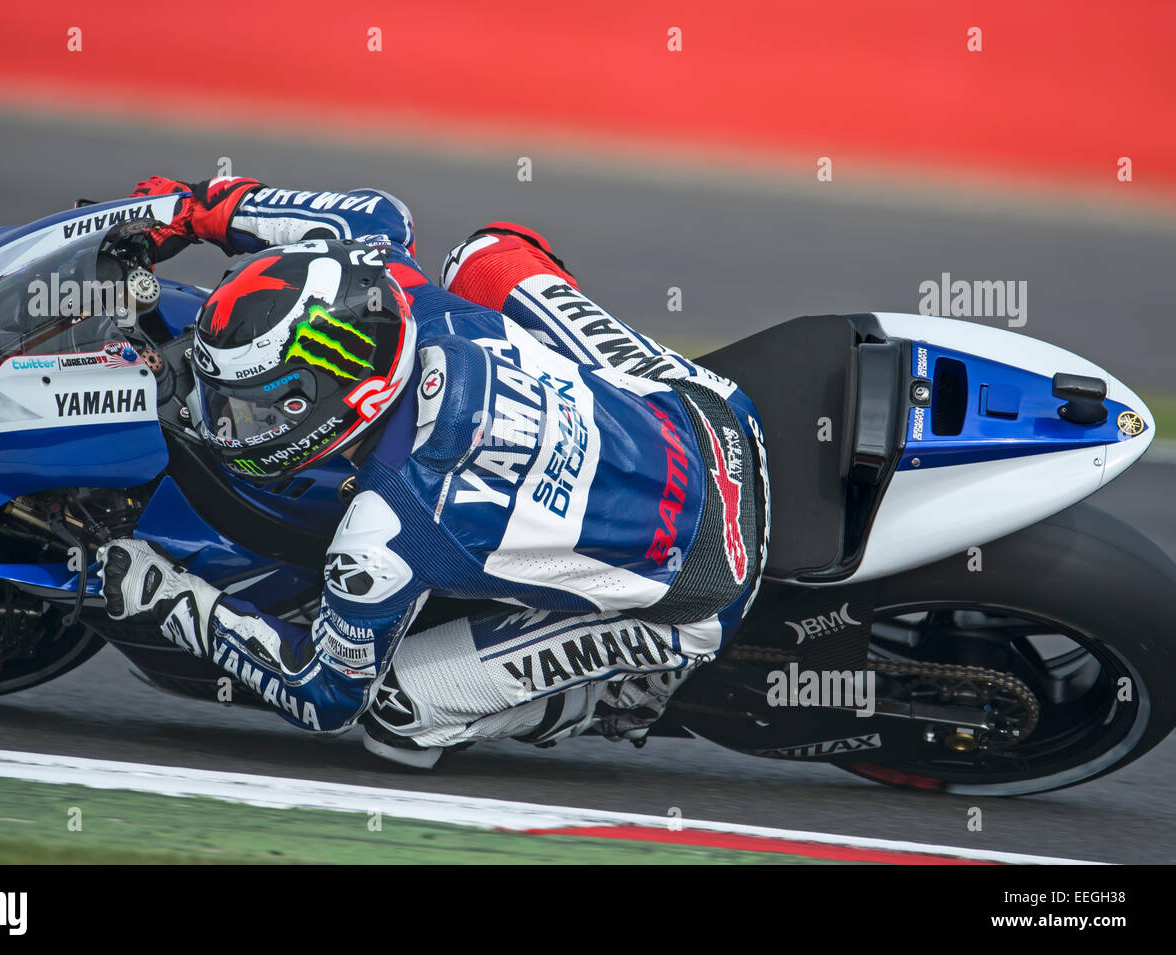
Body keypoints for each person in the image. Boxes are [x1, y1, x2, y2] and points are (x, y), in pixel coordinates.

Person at [98, 175, 770, 767]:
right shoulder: (397, 284)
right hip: (714, 414)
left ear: (335, 400)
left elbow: (325, 695)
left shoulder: (383, 534)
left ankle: (620, 694)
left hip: (706, 583)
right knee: (487, 255)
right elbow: (365, 213)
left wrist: (173, 601)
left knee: (398, 716)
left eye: (250, 405)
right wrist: (187, 211)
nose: (227, 421)